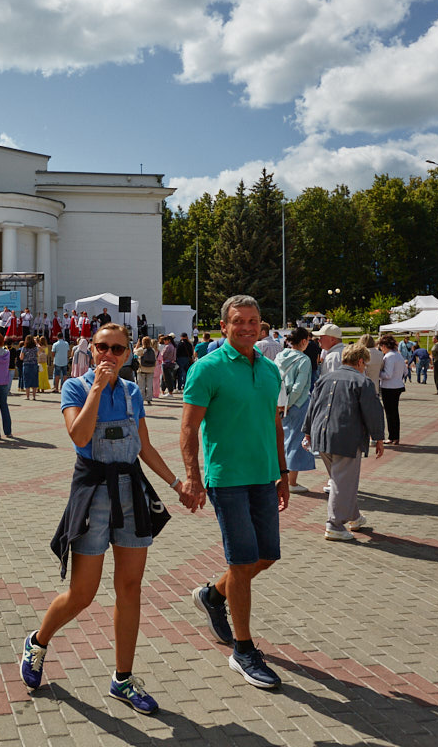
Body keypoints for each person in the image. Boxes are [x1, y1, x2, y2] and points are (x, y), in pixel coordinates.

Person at [20, 323, 184, 714]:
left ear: (128, 354)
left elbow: (143, 446)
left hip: (130, 494)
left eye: (117, 349)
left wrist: (178, 483)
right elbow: (79, 436)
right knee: (83, 593)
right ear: (91, 349)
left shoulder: (131, 392)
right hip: (93, 495)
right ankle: (38, 642)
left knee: (130, 588)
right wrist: (95, 388)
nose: (109, 354)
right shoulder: (74, 388)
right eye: (102, 347)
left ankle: (123, 679)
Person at [181, 295, 290, 690]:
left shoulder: (270, 369)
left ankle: (213, 595)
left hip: (264, 477)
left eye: (253, 321)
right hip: (226, 479)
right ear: (224, 326)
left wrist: (283, 472)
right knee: (242, 563)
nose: (247, 327)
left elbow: (274, 424)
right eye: (238, 321)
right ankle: (243, 651)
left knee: (266, 555)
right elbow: (189, 428)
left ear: (262, 325)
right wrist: (193, 477)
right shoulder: (206, 368)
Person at [302, 342, 385, 541]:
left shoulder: (324, 378)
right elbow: (373, 412)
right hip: (346, 438)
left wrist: (307, 431)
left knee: (342, 480)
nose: (365, 368)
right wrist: (379, 437)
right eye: (365, 364)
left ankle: (354, 517)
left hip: (321, 435)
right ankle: (334, 524)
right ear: (360, 361)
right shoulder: (363, 382)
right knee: (342, 482)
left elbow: (312, 405)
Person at [274, 327, 315, 494]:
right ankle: (292, 482)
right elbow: (299, 387)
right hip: (297, 405)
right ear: (303, 341)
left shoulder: (279, 356)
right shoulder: (304, 360)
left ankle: (278, 477)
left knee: (280, 440)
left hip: (279, 403)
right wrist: (289, 404)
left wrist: (281, 404)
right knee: (295, 442)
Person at [377, 335, 407, 445]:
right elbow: (405, 371)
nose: (381, 349)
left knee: (390, 413)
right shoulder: (398, 355)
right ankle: (396, 437)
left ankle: (391, 436)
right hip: (398, 385)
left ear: (384, 346)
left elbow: (387, 374)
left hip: (388, 387)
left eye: (381, 347)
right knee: (395, 413)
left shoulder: (388, 357)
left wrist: (377, 374)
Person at [134, 336, 156, 405]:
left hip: (142, 369)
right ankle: (149, 398)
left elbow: (134, 354)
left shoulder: (141, 350)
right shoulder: (153, 350)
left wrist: (137, 346)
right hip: (151, 369)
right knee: (149, 385)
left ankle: (142, 398)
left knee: (141, 385)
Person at [21, 335, 40, 401]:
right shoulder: (35, 348)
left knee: (27, 380)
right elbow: (38, 355)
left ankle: (27, 396)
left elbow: (21, 357)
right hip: (34, 364)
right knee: (34, 379)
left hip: (26, 364)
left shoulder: (24, 348)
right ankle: (34, 396)